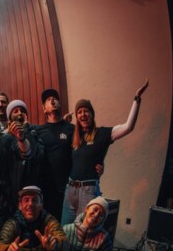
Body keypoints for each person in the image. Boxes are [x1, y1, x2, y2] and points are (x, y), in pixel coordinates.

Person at [61, 81, 149, 224]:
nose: (83, 114)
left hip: (88, 191)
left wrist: (137, 98)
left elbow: (128, 127)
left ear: (92, 114)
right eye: (79, 112)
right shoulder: (74, 136)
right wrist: (64, 122)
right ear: (77, 117)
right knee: (65, 229)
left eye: (86, 111)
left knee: (83, 230)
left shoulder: (102, 134)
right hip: (70, 189)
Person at [35, 88, 75, 220]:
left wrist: (98, 165)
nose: (52, 100)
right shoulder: (38, 131)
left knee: (69, 227)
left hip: (69, 189)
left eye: (55, 98)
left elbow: (84, 151)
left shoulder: (72, 129)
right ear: (44, 109)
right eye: (48, 99)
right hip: (48, 191)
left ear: (60, 105)